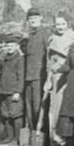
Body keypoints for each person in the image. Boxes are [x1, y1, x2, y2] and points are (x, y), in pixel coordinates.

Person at [45, 12, 74, 146]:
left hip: (69, 76)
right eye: (58, 24)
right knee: (54, 108)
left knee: (67, 108)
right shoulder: (51, 39)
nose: (60, 27)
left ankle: (69, 141)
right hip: (55, 76)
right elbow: (48, 61)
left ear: (68, 24)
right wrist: (48, 80)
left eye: (63, 24)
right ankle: (55, 138)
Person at [23, 8, 50, 137]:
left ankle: (40, 134)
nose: (33, 20)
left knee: (38, 106)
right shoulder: (29, 36)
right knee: (28, 106)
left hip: (39, 76)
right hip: (28, 75)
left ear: (41, 19)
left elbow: (49, 56)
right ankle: (32, 133)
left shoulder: (45, 34)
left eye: (35, 18)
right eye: (30, 19)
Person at [0, 34, 25, 145]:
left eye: (12, 46)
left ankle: (17, 139)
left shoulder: (19, 59)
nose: (9, 48)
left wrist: (18, 91)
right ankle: (9, 137)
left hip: (14, 91)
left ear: (17, 46)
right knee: (6, 114)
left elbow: (20, 76)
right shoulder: (4, 59)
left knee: (16, 114)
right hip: (4, 90)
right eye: (7, 46)